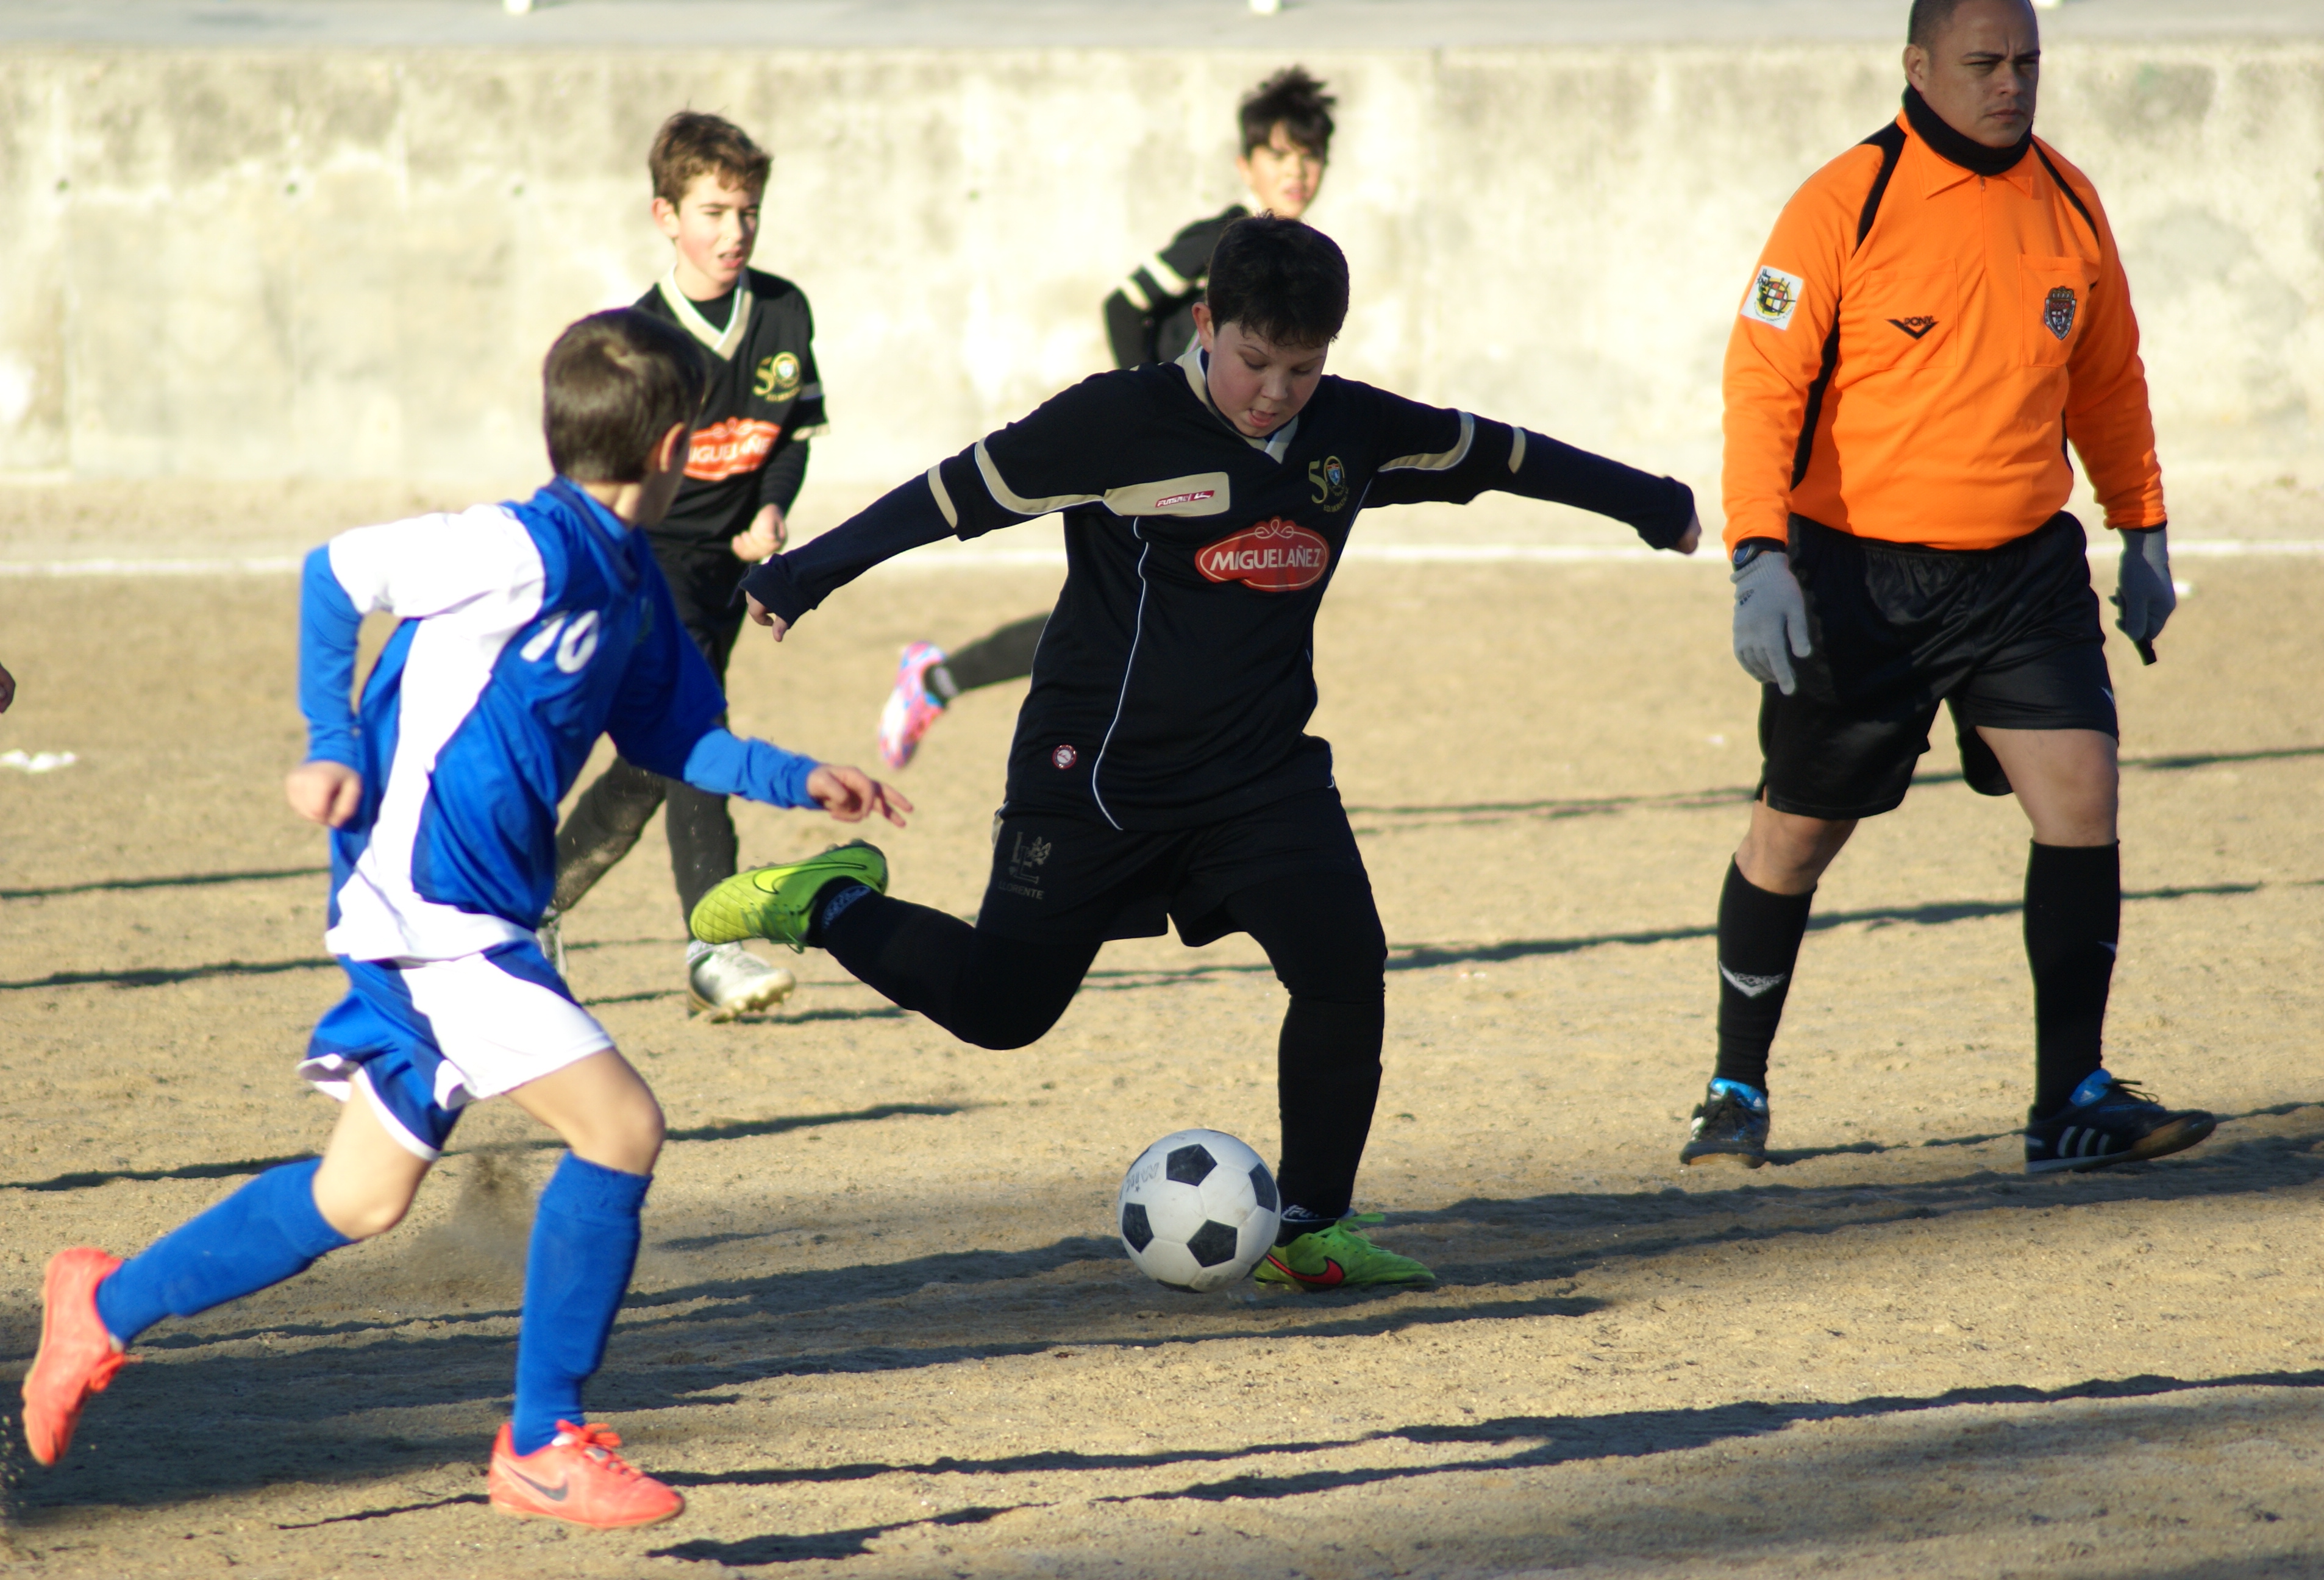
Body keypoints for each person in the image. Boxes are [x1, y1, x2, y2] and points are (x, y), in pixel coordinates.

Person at [18, 310, 906, 1528]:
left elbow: (667, 735)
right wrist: (333, 741)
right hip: (427, 904)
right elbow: (335, 572)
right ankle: (543, 1437)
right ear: (676, 445)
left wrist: (794, 777)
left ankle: (101, 1307)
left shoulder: (632, 578)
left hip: (472, 906)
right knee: (623, 1126)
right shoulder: (514, 546)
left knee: (360, 1201)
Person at [704, 216, 1700, 1289]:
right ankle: (826, 900)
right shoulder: (1114, 422)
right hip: (1094, 778)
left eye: (1302, 367)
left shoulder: (1348, 434)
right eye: (1253, 361)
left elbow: (1498, 452)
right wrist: (803, 572)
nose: (1275, 390)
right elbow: (950, 494)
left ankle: (1311, 1222)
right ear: (1204, 323)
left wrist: (1649, 503)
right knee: (1002, 1010)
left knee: (1341, 967)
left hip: (1260, 778)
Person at [1682, 0, 2212, 1175]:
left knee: (2081, 794)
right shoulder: (1844, 203)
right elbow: (1761, 384)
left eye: (2026, 61)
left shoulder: (2069, 203)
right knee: (1794, 838)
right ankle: (1734, 1083)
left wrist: (2142, 529)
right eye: (1983, 62)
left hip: (2023, 568)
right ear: (1917, 66)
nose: (2010, 83)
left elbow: (2109, 378)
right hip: (1858, 577)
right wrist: (1757, 554)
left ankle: (2068, 1096)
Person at [875, 66, 1338, 770]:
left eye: (1310, 157)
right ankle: (940, 681)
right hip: (1165, 468)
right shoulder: (1218, 243)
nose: (1296, 172)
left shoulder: (1301, 267)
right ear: (1246, 164)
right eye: (1280, 155)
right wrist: (1147, 417)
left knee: (1181, 616)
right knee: (1118, 620)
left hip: (1227, 470)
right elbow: (1123, 305)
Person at [540, 111, 831, 1022]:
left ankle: (532, 905)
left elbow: (792, 437)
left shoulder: (784, 312)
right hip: (650, 565)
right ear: (666, 217)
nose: (733, 232)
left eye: (746, 211)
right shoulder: (641, 339)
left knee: (658, 759)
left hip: (725, 572)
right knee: (698, 735)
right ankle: (715, 944)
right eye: (712, 212)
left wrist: (771, 507)